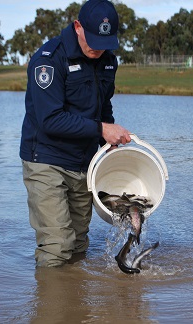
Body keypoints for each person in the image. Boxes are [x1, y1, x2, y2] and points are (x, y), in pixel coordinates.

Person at [20, 0, 131, 267]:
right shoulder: (48, 61)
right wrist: (101, 129)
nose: (98, 48)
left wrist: (108, 140)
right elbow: (50, 120)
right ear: (78, 27)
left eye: (105, 42)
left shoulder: (108, 61)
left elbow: (103, 106)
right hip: (45, 159)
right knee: (57, 245)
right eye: (92, 39)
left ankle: (74, 305)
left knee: (79, 243)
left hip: (84, 164)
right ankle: (51, 307)